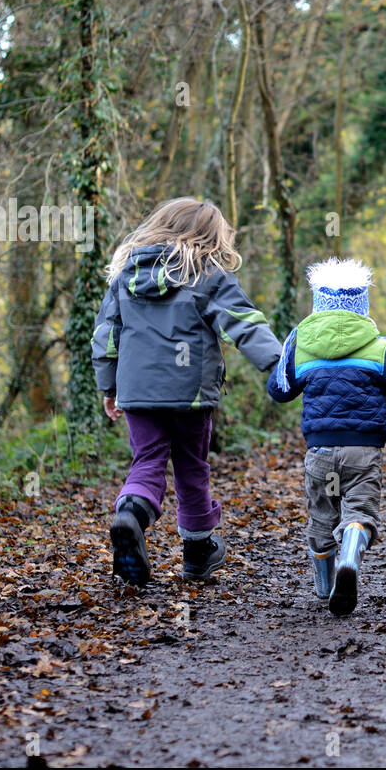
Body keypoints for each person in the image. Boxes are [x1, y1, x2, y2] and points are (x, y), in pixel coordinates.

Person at [92, 197, 282, 586]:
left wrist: (108, 386)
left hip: (137, 390)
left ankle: (130, 515)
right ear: (210, 237)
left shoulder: (125, 275)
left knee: (147, 460)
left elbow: (105, 337)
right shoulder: (208, 275)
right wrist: (280, 364)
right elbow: (243, 323)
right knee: (192, 468)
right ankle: (197, 553)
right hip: (190, 393)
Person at [268, 258, 386, 616]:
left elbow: (278, 391)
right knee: (359, 510)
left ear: (318, 304)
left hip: (321, 452)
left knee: (322, 516)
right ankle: (351, 551)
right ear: (363, 306)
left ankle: (324, 585)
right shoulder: (380, 348)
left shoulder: (301, 347)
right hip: (363, 452)